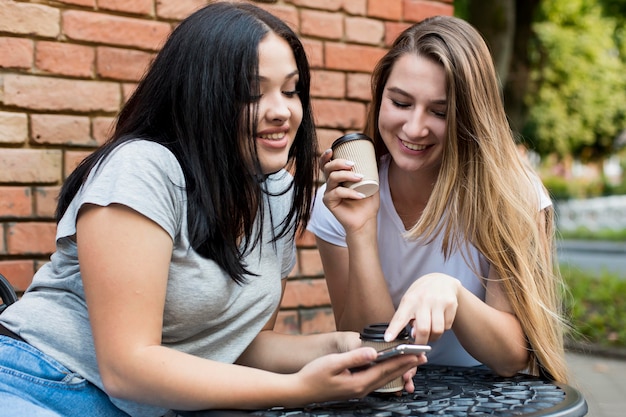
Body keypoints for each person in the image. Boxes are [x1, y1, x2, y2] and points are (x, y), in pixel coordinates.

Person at [0, 3, 425, 416]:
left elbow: (236, 345)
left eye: (292, 90)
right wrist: (295, 389)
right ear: (200, 95)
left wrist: (341, 348)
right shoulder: (143, 168)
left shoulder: (276, 192)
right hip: (40, 380)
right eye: (253, 93)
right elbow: (127, 367)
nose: (282, 111)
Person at [308, 15, 569, 383]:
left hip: (484, 393)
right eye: (400, 103)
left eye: (440, 112)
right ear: (380, 97)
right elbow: (365, 353)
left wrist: (453, 294)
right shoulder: (339, 200)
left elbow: (511, 358)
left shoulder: (512, 194)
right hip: (387, 393)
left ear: (471, 118)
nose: (415, 128)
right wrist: (361, 230)